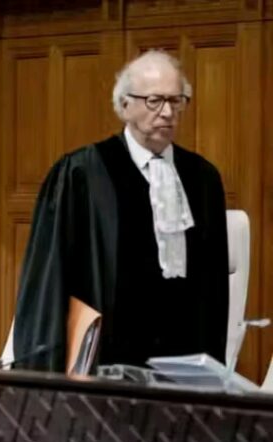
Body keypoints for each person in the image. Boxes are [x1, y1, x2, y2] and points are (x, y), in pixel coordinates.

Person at [13, 50, 228, 371]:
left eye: (176, 100)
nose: (167, 112)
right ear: (125, 105)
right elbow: (49, 277)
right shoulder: (82, 173)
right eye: (154, 101)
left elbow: (214, 289)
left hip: (183, 362)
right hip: (106, 362)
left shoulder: (202, 178)